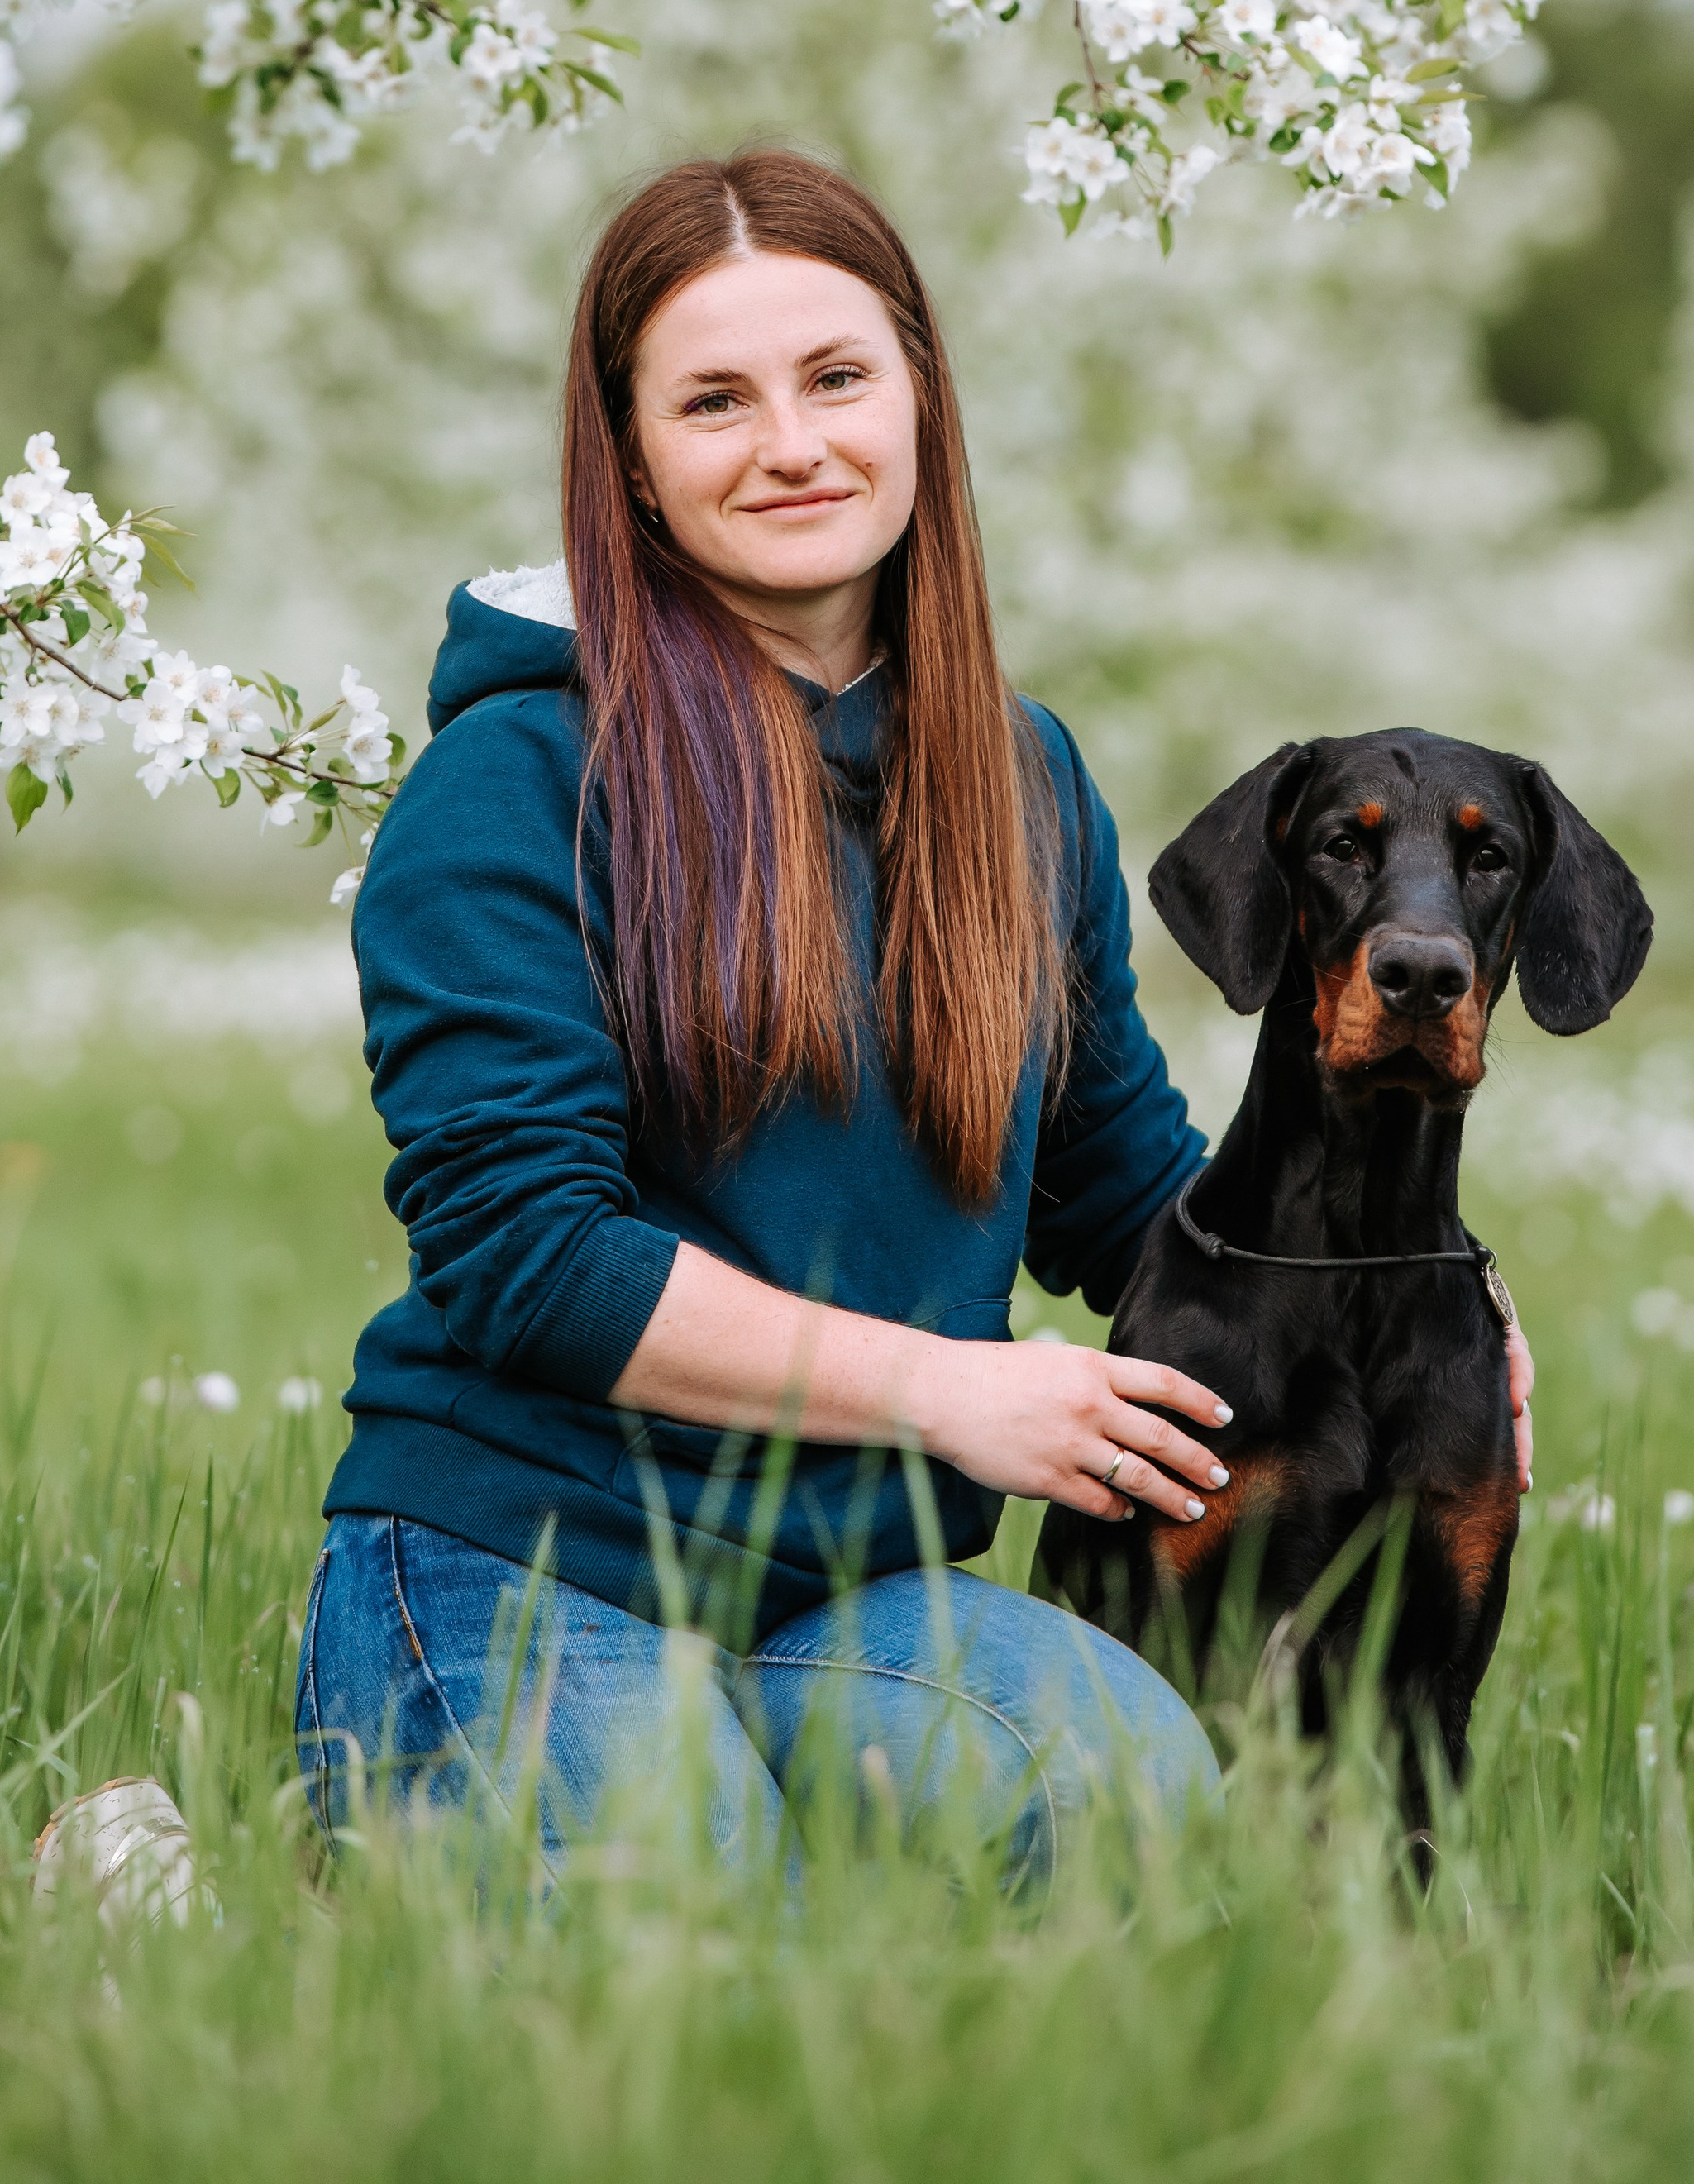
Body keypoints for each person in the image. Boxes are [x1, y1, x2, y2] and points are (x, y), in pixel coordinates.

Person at [296, 150, 1534, 1886]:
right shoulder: (511, 782)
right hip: (520, 1555)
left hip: (856, 1595)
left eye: (833, 378)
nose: (789, 443)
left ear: (919, 401)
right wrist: (941, 1388)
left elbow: (1122, 1189)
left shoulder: (1015, 781)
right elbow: (524, 1253)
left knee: (1146, 1825)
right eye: (712, 398)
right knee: (674, 1940)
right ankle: (175, 1881)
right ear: (633, 463)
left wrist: (1414, 1315)